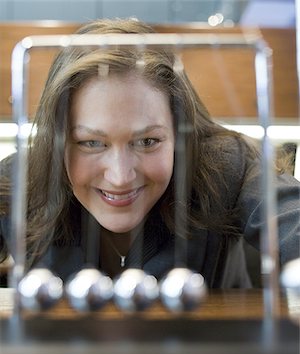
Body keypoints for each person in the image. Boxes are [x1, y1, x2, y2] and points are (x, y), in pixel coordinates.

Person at [0, 18, 299, 288]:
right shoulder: (17, 183)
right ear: (57, 140)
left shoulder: (226, 164)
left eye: (147, 142)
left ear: (181, 131)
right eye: (91, 143)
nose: (120, 177)